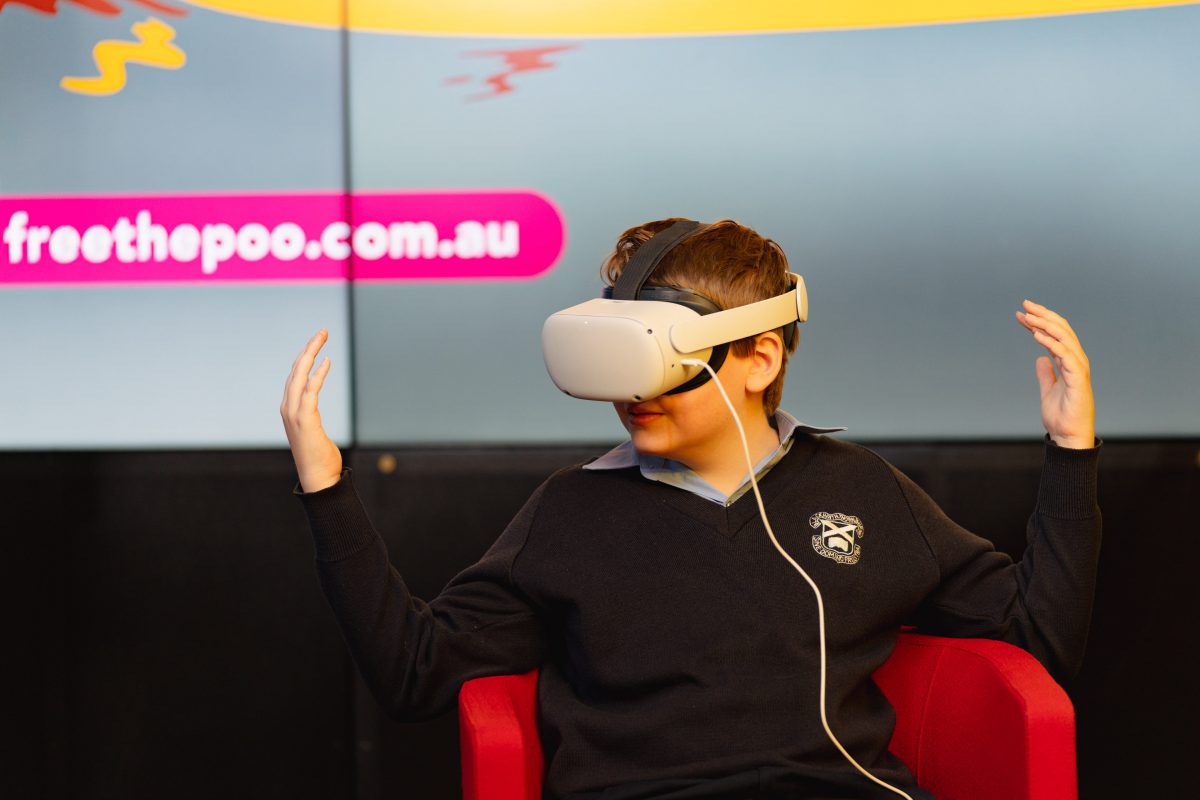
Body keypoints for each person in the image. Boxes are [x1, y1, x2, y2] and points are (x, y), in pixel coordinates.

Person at [280, 219, 1100, 800]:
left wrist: (1070, 454)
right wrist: (325, 487)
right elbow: (415, 671)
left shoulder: (860, 491)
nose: (631, 394)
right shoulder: (570, 514)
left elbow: (1035, 639)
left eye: (657, 360)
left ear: (758, 357)